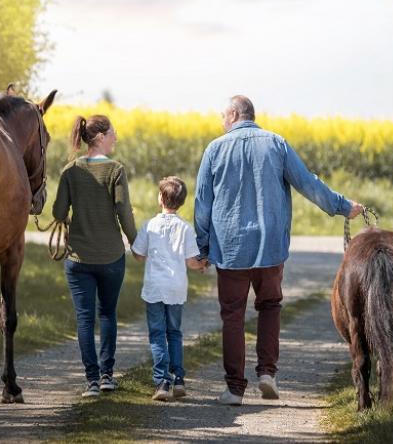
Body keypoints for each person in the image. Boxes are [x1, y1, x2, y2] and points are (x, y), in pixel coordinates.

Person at [194, 95, 363, 406]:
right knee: (270, 305)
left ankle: (234, 389)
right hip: (270, 245)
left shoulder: (214, 149)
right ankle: (267, 373)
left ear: (234, 113)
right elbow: (307, 183)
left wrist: (202, 247)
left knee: (232, 314)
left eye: (223, 115)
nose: (221, 120)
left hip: (230, 247)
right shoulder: (276, 143)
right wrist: (342, 206)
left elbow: (203, 202)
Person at [52, 114, 137, 398]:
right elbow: (124, 212)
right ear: (100, 137)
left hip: (78, 260)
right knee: (107, 314)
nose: (116, 137)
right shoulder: (116, 170)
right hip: (112, 257)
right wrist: (136, 243)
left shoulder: (70, 170)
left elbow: (58, 213)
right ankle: (106, 377)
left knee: (85, 319)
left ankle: (91, 381)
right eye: (113, 132)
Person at [131, 176, 207, 402]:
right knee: (174, 333)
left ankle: (162, 381)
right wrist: (202, 265)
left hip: (155, 287)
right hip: (175, 288)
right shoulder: (186, 228)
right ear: (182, 202)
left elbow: (138, 254)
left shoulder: (149, 225)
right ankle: (179, 379)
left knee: (157, 334)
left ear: (160, 198)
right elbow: (192, 261)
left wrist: (136, 247)